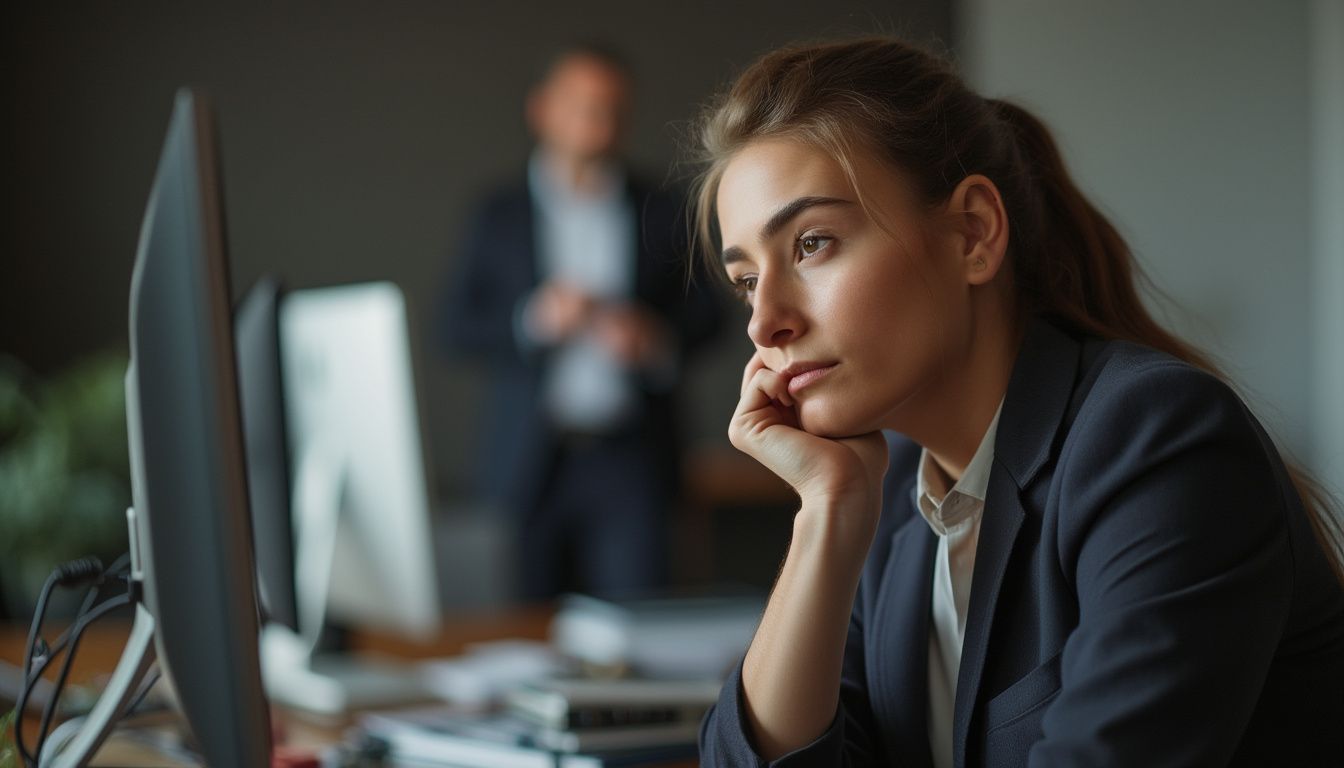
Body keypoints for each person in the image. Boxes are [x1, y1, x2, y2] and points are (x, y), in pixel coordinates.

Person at [692, 37, 1344, 767]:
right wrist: (829, 512)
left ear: (973, 233)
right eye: (747, 279)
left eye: (812, 243)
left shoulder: (1158, 441)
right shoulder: (892, 495)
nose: (763, 321)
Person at [442, 45, 721, 601]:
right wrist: (531, 321)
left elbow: (710, 315)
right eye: (584, 105)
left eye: (614, 107)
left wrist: (655, 340)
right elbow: (452, 326)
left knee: (638, 626)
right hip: (529, 460)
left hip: (633, 458)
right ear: (542, 109)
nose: (600, 121)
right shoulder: (498, 212)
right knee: (526, 629)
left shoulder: (661, 208)